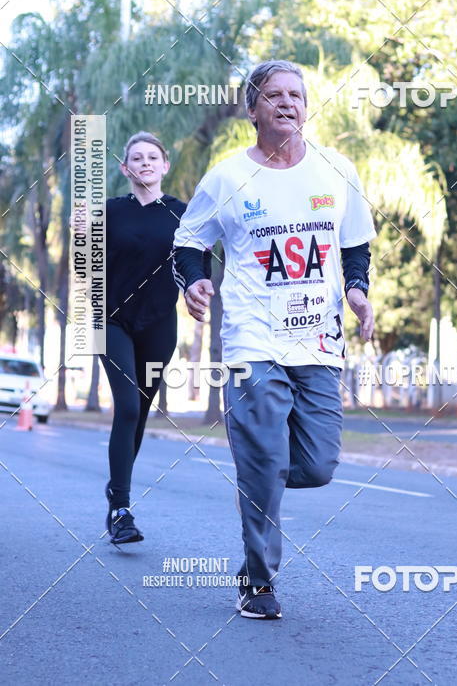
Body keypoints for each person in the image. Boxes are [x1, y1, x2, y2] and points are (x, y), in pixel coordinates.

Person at [173, 60, 375, 618]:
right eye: (275, 95)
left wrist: (356, 290)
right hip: (251, 341)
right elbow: (188, 241)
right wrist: (193, 281)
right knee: (265, 461)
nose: (288, 103)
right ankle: (258, 582)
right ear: (252, 108)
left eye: (296, 95)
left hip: (318, 341)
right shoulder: (227, 177)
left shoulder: (337, 170)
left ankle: (260, 467)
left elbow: (354, 245)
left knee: (315, 466)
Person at [100, 132, 186, 545]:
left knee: (141, 411)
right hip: (111, 323)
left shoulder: (183, 214)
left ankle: (116, 493)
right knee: (129, 407)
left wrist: (198, 289)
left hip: (159, 325)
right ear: (125, 168)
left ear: (165, 165)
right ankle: (121, 508)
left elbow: (194, 262)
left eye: (153, 156)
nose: (146, 162)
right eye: (137, 157)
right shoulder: (110, 212)